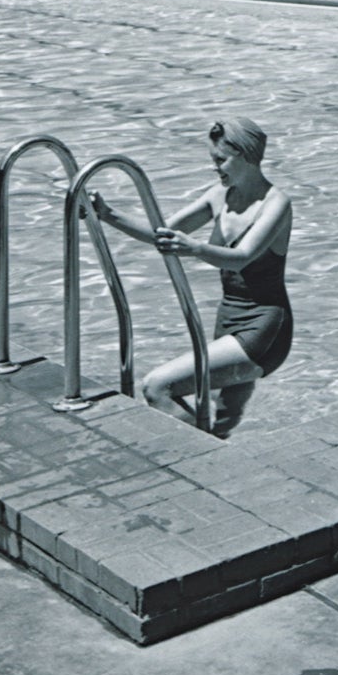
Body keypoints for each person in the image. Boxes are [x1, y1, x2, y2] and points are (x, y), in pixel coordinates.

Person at [85, 115, 291, 438]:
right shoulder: (219, 195)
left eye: (220, 160)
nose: (215, 168)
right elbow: (163, 234)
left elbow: (242, 258)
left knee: (158, 386)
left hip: (264, 330)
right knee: (221, 422)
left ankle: (198, 461)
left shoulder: (276, 204)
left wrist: (193, 247)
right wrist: (107, 214)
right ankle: (218, 470)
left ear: (245, 155)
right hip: (228, 322)